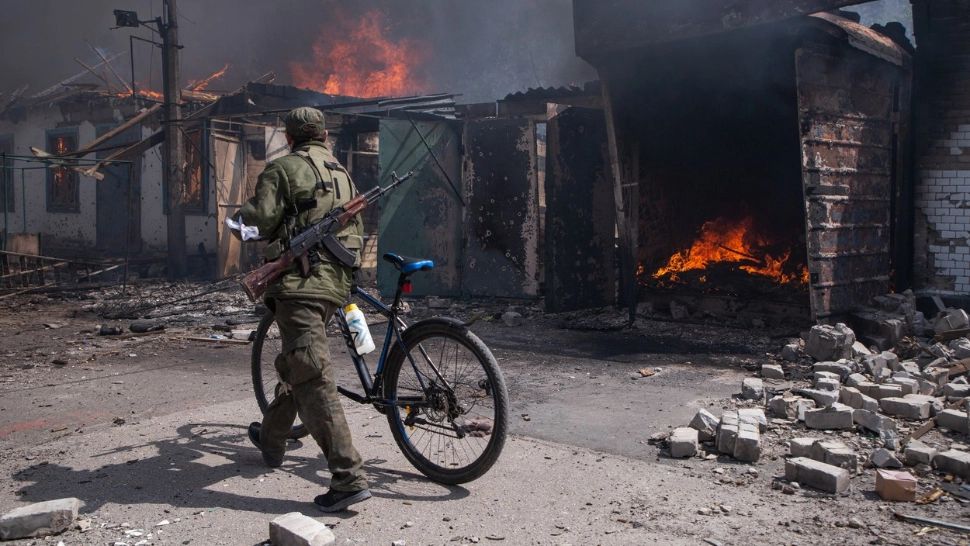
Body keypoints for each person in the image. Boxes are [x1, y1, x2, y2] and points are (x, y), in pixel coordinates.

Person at [231, 106, 369, 512]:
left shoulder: (284, 168)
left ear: (289, 138)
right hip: (334, 288)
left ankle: (348, 477)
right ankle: (272, 440)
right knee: (299, 366)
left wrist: (235, 224)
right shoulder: (343, 174)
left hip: (300, 287)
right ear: (324, 136)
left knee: (311, 375)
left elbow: (259, 221)